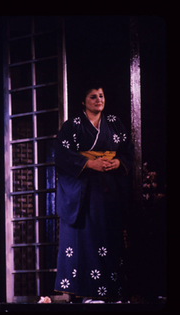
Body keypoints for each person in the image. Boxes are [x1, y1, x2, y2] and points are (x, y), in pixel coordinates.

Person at [53, 83, 133, 302]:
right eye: (93, 97)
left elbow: (128, 152)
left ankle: (113, 291)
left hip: (110, 188)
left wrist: (118, 162)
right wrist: (89, 165)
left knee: (112, 235)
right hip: (86, 191)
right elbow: (62, 155)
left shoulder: (115, 123)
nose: (99, 100)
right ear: (83, 102)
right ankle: (89, 292)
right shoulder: (73, 126)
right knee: (89, 236)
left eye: (101, 96)